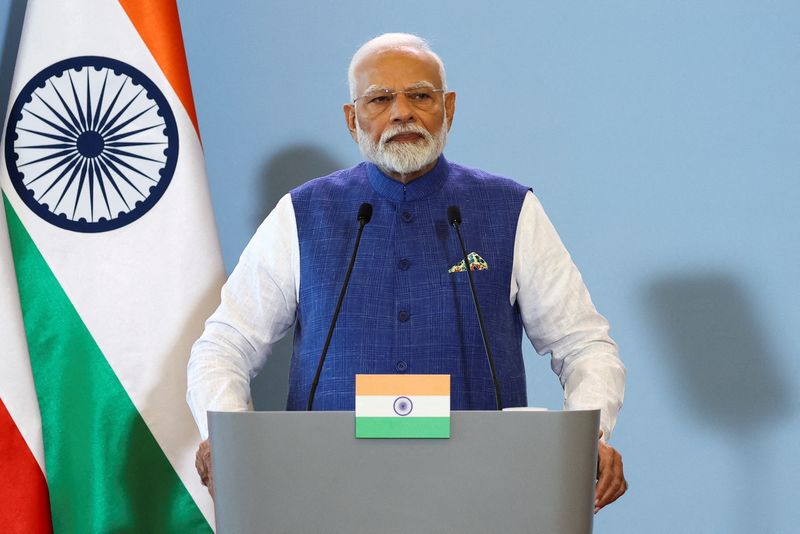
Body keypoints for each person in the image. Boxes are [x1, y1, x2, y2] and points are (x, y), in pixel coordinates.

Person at [188, 33, 627, 512]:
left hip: (483, 492)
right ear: (352, 118)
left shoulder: (510, 209)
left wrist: (590, 432)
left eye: (420, 95)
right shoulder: (303, 213)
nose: (402, 112)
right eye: (379, 99)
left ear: (449, 108)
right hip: (326, 492)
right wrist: (225, 433)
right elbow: (223, 346)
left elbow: (583, 344)